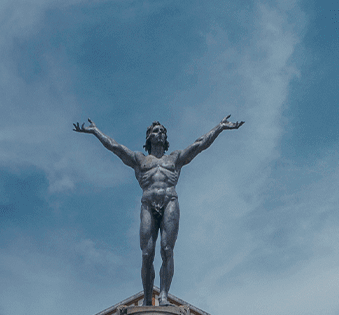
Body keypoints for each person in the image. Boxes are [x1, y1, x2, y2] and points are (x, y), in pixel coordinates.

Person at [73, 115, 244, 305]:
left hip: (169, 200)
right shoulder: (140, 159)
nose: (160, 133)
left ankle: (163, 295)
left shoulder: (175, 158)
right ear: (148, 137)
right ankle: (147, 298)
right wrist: (96, 131)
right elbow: (116, 148)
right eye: (156, 131)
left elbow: (200, 144)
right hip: (148, 202)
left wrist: (219, 127)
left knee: (167, 249)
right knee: (147, 253)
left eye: (163, 131)